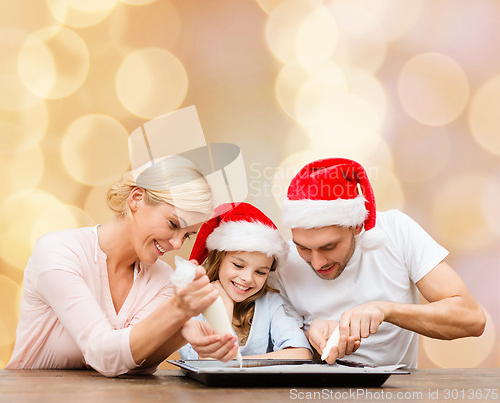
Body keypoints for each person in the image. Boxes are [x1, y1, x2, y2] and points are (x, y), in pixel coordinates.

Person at [5, 156, 239, 377]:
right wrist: (177, 311)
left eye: (187, 235)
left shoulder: (163, 280)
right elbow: (102, 355)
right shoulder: (59, 252)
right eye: (173, 224)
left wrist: (179, 333)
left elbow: (131, 364)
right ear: (136, 199)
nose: (177, 244)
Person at [271, 157, 486, 368]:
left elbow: (471, 319)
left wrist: (386, 311)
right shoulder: (283, 262)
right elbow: (271, 350)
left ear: (357, 225)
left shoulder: (396, 231)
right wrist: (310, 339)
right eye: (303, 248)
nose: (317, 263)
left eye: (329, 247)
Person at [178, 202, 312, 360]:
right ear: (218, 260)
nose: (247, 278)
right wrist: (224, 309)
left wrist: (236, 363)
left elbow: (301, 354)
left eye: (260, 272)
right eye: (238, 265)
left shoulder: (270, 303)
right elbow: (208, 362)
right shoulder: (192, 306)